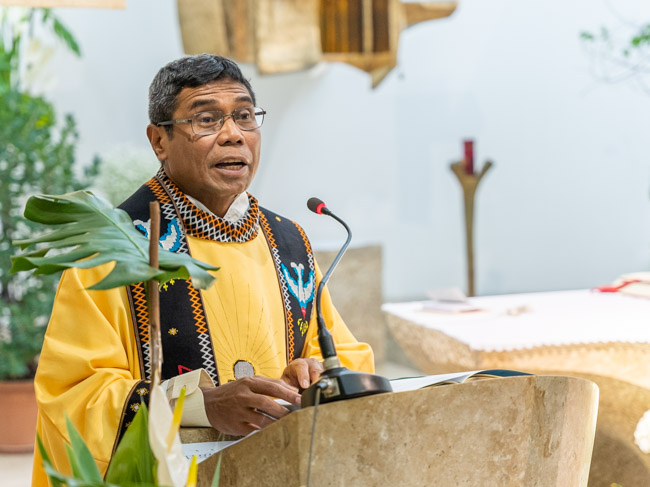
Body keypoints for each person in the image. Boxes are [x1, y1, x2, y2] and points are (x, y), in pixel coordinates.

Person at [32, 54, 374, 486]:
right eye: (207, 119)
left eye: (245, 116)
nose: (233, 135)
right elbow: (73, 393)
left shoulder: (290, 242)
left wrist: (313, 377)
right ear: (159, 141)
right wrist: (200, 405)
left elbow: (342, 355)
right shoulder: (113, 248)